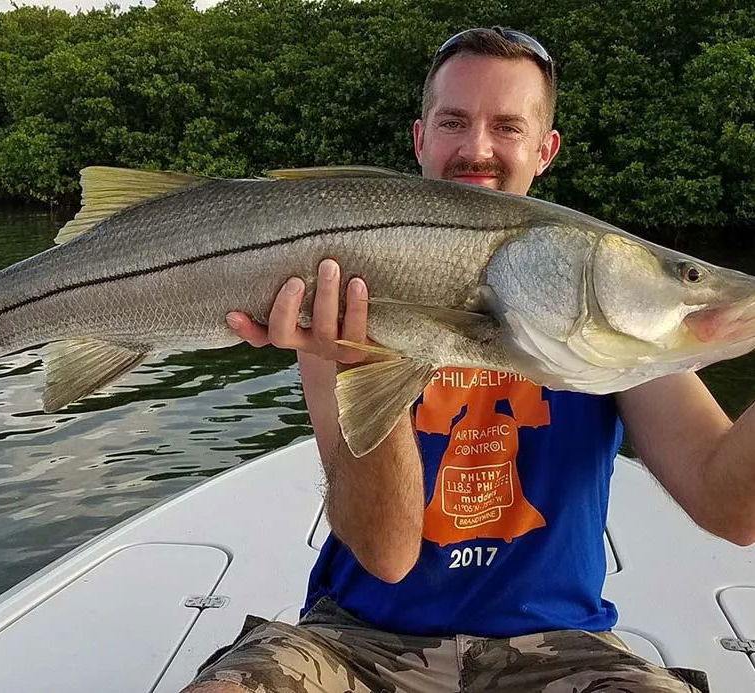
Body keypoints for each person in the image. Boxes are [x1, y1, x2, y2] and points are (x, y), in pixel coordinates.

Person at [184, 27, 742, 692]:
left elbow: (733, 509)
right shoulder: (339, 285)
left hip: (561, 649)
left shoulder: (619, 332)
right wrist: (358, 362)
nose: (476, 149)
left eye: (507, 126)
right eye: (454, 122)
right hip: (355, 641)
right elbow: (387, 554)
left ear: (545, 149)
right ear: (421, 139)